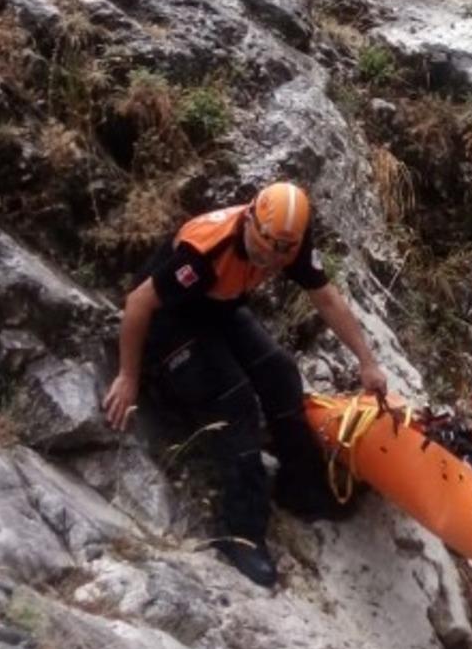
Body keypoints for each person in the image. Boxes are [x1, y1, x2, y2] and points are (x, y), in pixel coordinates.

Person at [103, 182, 388, 590]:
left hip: (218, 310)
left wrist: (368, 361)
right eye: (265, 246)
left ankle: (300, 485)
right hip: (168, 326)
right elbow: (138, 303)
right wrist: (127, 376)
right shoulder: (205, 251)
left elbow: (326, 299)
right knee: (234, 401)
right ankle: (241, 532)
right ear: (251, 219)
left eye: (282, 251)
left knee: (280, 373)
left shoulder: (290, 241)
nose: (271, 258)